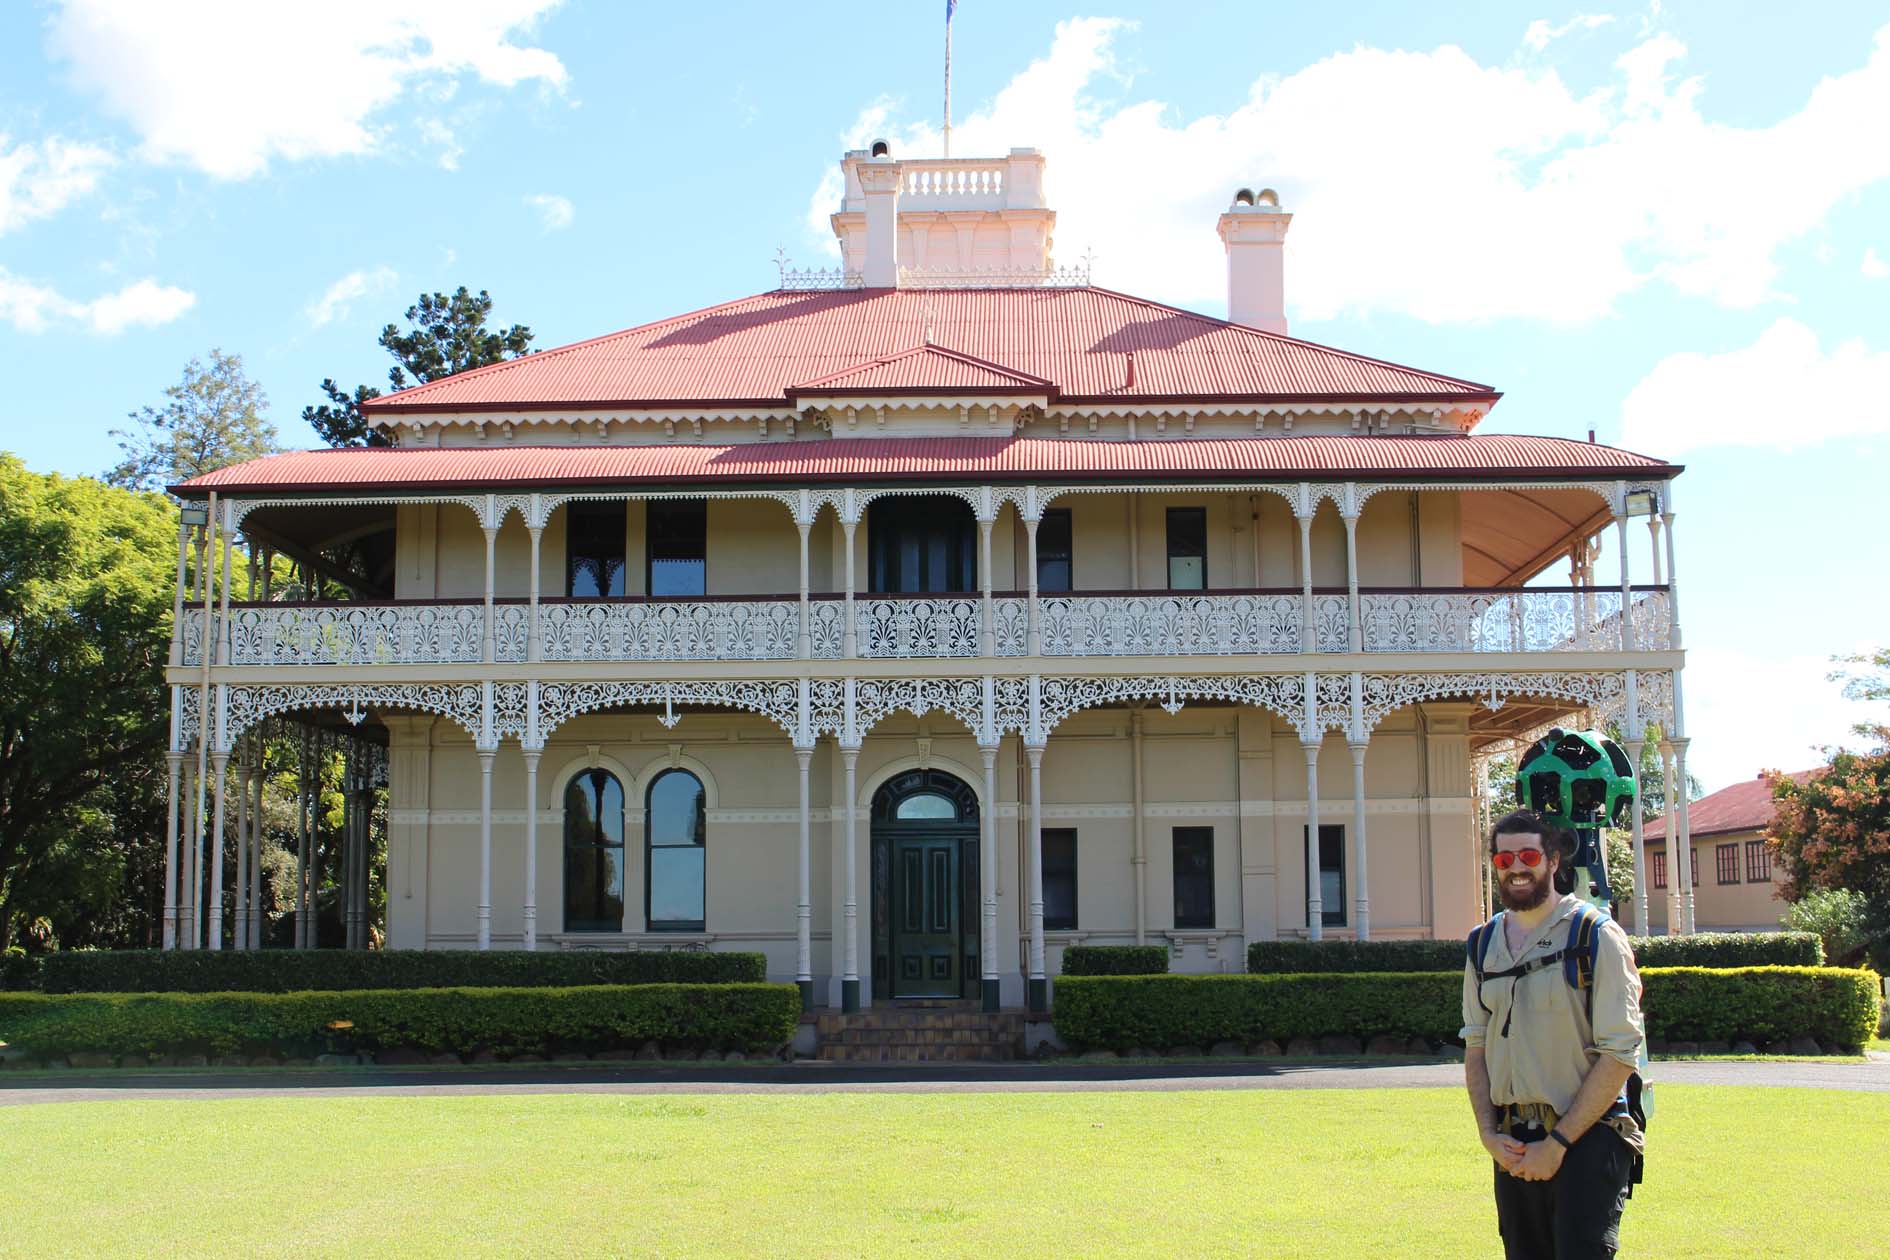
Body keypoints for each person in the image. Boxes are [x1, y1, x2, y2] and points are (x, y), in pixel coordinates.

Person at [1462, 809, 1646, 1259]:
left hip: (1588, 1137)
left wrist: (1558, 1142)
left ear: (1554, 860)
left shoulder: (1595, 935)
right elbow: (1476, 1047)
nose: (1516, 868)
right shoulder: (1482, 944)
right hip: (1513, 1143)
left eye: (1528, 855)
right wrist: (1489, 1135)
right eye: (1504, 860)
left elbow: (1621, 1054)